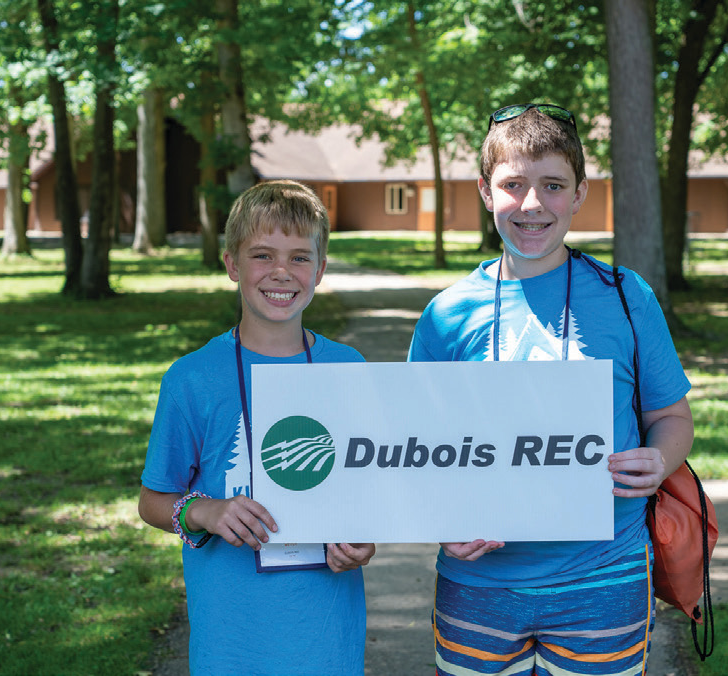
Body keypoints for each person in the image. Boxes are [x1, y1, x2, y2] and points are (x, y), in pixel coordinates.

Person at [408, 103, 694, 675]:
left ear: (580, 193)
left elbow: (672, 417)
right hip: (479, 584)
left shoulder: (626, 297)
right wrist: (441, 518)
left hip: (604, 575)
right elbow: (413, 449)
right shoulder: (446, 315)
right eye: (513, 185)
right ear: (486, 192)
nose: (532, 204)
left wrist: (660, 459)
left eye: (553, 185)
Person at [138, 180, 375, 676]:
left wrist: (361, 540)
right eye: (262, 255)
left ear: (321, 269)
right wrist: (205, 511)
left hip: (326, 638)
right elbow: (153, 501)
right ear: (232, 265)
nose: (281, 272)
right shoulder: (192, 378)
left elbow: (369, 490)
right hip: (231, 641)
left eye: (300, 257)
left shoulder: (348, 368)